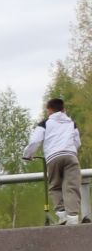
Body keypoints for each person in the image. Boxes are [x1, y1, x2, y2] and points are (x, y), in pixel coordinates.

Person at [24, 97, 83, 226]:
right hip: (70, 156)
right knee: (72, 186)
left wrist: (28, 155)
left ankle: (62, 216)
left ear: (49, 110)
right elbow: (77, 142)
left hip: (53, 157)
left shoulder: (45, 123)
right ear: (64, 109)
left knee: (55, 186)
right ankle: (73, 219)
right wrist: (71, 151)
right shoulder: (71, 123)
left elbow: (35, 141)